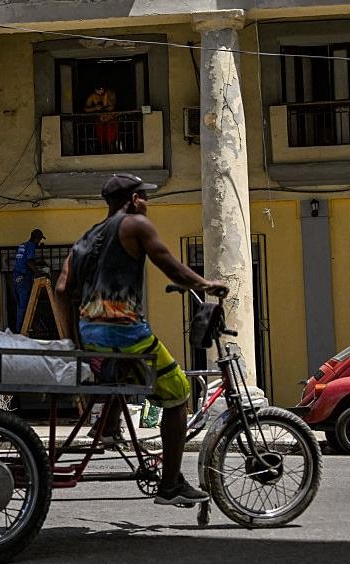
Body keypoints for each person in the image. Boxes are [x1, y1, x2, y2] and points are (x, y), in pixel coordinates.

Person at [55, 172, 227, 507]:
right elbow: (170, 265)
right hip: (125, 331)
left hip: (92, 333)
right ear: (134, 200)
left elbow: (62, 289)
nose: (146, 203)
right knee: (178, 393)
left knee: (123, 377)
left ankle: (107, 428)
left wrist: (73, 339)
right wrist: (206, 285)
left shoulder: (87, 238)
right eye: (144, 197)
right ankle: (170, 486)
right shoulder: (135, 224)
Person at [12, 229, 46, 332]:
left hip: (16, 278)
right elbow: (29, 261)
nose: (39, 242)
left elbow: (24, 260)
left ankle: (21, 329)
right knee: (25, 305)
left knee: (20, 306)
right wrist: (38, 273)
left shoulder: (23, 245)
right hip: (24, 278)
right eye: (39, 239)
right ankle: (22, 330)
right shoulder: (31, 246)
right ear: (36, 238)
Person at [83, 86, 119, 153]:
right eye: (97, 89)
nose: (100, 91)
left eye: (101, 89)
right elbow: (85, 109)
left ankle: (112, 155)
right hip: (100, 121)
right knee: (101, 140)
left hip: (110, 120)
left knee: (111, 140)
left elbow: (112, 107)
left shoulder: (110, 93)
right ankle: (102, 154)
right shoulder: (92, 96)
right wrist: (95, 108)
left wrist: (105, 97)